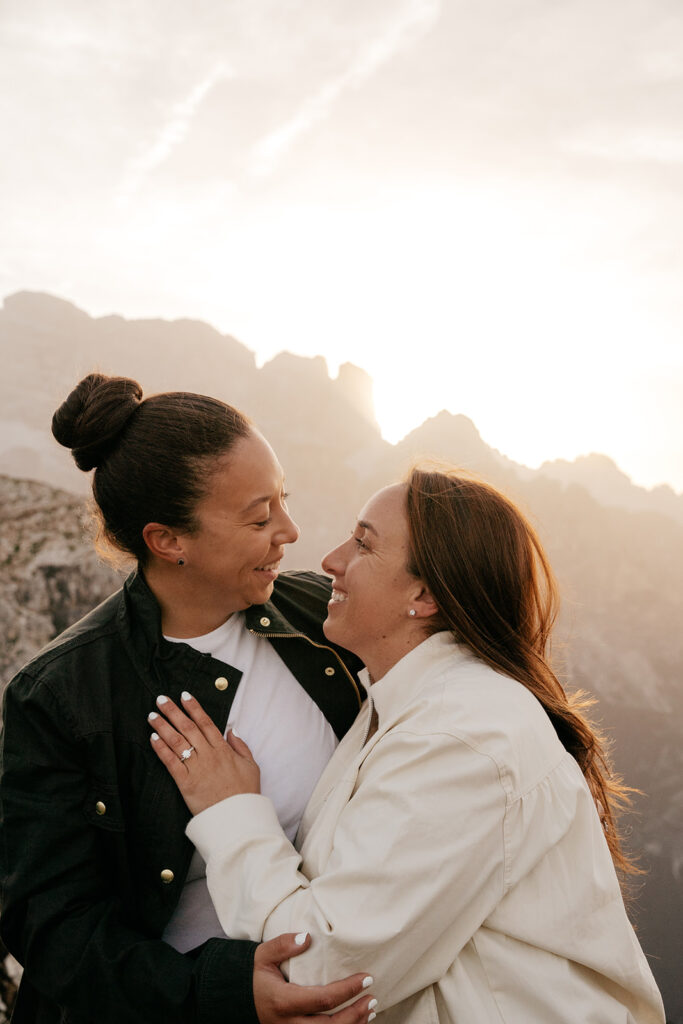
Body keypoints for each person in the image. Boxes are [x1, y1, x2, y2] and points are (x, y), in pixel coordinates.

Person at [148, 469, 665, 1023]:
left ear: (423, 595)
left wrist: (231, 814)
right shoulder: (402, 702)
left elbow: (322, 968)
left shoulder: (458, 736)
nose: (331, 560)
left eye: (364, 544)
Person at [0, 373, 378, 1024]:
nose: (289, 531)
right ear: (167, 540)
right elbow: (52, 928)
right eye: (259, 515)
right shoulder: (59, 695)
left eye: (282, 501)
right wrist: (226, 991)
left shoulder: (323, 617)